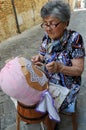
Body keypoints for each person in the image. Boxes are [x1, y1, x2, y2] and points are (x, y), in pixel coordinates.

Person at [31, 0, 85, 129]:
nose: (48, 28)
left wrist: (60, 68)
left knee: (46, 102)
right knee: (30, 93)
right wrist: (40, 58)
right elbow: (44, 56)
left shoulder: (74, 39)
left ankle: (51, 122)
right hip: (48, 80)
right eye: (45, 24)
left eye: (52, 24)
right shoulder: (46, 38)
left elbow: (78, 70)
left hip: (68, 86)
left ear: (65, 22)